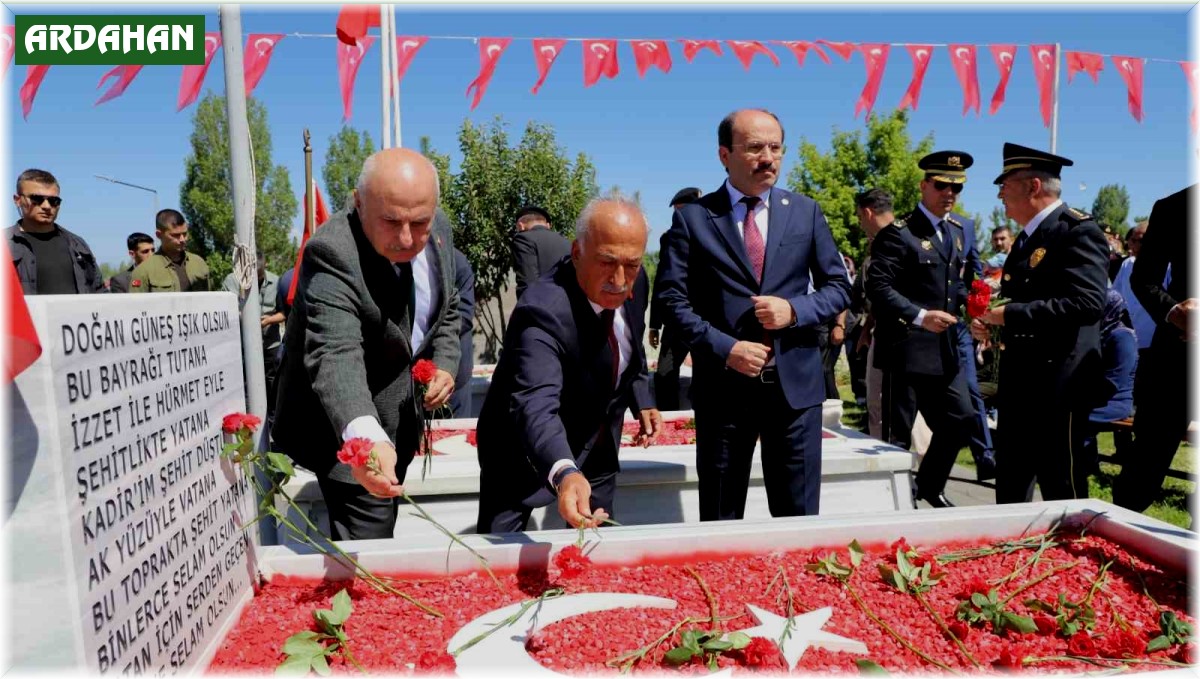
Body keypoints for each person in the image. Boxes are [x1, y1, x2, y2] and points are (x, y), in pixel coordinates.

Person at [657, 109, 850, 521]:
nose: (768, 158)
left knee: (798, 520)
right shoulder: (692, 219)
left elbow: (839, 288)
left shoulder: (805, 212)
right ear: (724, 154)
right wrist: (725, 348)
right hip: (725, 392)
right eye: (755, 148)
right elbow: (671, 301)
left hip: (795, 391)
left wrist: (794, 310)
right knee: (722, 517)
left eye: (776, 147)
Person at [272, 148, 461, 541]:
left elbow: (447, 304)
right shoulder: (332, 252)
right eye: (391, 221)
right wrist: (368, 441)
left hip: (401, 416)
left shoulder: (437, 227)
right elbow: (335, 353)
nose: (408, 238)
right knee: (369, 550)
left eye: (420, 222)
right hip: (348, 425)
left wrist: (444, 360)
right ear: (359, 204)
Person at [476, 196, 660, 533]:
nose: (620, 279)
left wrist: (641, 397)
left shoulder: (636, 279)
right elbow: (535, 403)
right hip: (521, 453)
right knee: (499, 561)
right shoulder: (542, 310)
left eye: (631, 264)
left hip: (599, 440)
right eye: (607, 262)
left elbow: (627, 343)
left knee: (594, 549)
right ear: (577, 253)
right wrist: (564, 470)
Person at [971, 143, 1108, 504]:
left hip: (1059, 381)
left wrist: (1009, 315)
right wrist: (991, 323)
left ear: (1033, 186)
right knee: (1012, 480)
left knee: (1061, 485)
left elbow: (1088, 303)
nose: (999, 192)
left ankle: (1072, 560)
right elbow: (1028, 300)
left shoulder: (1076, 231)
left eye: (1006, 183)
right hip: (1021, 378)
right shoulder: (1025, 241)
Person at [865, 151, 977, 508]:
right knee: (897, 437)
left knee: (962, 418)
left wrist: (975, 310)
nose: (950, 193)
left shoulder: (958, 231)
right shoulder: (899, 234)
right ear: (924, 185)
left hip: (943, 351)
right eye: (942, 185)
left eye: (956, 188)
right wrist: (918, 315)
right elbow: (878, 287)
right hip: (906, 348)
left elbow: (956, 284)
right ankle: (895, 506)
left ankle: (928, 485)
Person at [1113, 185, 1195, 513]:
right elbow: (1144, 279)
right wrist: (1174, 313)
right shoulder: (1174, 207)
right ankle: (1114, 545)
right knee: (1145, 463)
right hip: (1178, 352)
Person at [7, 168, 104, 294]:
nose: (47, 206)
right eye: (37, 199)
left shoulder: (78, 245)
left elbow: (99, 291)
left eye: (54, 201)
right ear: (18, 200)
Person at [648, 187, 702, 411]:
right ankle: (668, 420)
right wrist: (654, 325)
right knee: (665, 374)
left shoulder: (716, 234)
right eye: (676, 213)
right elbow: (663, 281)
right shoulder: (669, 238)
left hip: (706, 318)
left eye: (682, 211)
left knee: (708, 374)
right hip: (676, 319)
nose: (678, 218)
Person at [1079, 290, 1138, 473]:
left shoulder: (1122, 337)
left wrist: (1083, 396)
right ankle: (1083, 463)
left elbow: (1113, 382)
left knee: (1077, 418)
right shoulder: (1103, 333)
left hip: (1115, 402)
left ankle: (1085, 466)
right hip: (1098, 398)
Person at [852, 188, 893, 439]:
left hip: (900, 339)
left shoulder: (897, 241)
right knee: (876, 401)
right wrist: (867, 330)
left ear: (867, 212)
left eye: (859, 217)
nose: (859, 224)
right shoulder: (877, 245)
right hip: (881, 332)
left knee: (885, 403)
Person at [223, 251, 283, 416]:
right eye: (252, 277)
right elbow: (228, 311)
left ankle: (271, 422)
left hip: (269, 345)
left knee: (272, 385)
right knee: (245, 386)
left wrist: (269, 320)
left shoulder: (277, 281)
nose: (256, 280)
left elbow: (284, 312)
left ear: (266, 265)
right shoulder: (232, 281)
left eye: (259, 275)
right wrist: (249, 320)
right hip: (242, 346)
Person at [128, 209, 210, 292]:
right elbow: (137, 304)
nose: (182, 239)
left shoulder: (199, 263)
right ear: (159, 235)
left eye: (185, 234)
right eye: (175, 235)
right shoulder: (143, 271)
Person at [1110, 222, 1157, 353]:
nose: (1135, 246)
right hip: (1129, 341)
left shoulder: (1169, 268)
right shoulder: (1127, 265)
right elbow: (1115, 298)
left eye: (1141, 241)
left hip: (1154, 342)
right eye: (1132, 240)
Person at [512, 205, 571, 298]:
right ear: (548, 225)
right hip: (571, 307)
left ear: (520, 225)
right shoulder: (566, 242)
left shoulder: (524, 239)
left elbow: (527, 283)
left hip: (543, 307)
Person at [446, 247, 476, 418]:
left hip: (455, 366)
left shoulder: (457, 262)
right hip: (415, 370)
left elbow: (463, 315)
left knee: (454, 433)